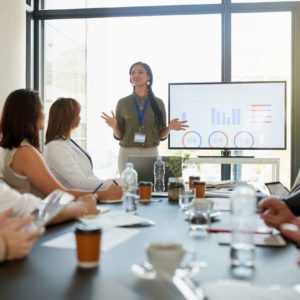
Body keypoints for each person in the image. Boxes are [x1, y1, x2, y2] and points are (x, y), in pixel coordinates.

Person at [0, 89, 108, 221]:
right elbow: (58, 193)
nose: (44, 114)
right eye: (42, 109)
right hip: (35, 220)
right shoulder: (25, 152)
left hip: (30, 218)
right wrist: (103, 194)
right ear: (32, 114)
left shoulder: (9, 149)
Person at [101, 62, 188, 174]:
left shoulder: (158, 103)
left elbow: (161, 136)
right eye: (133, 73)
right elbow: (119, 136)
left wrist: (169, 128)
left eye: (140, 72)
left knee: (150, 187)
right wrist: (114, 127)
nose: (136, 75)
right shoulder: (123, 103)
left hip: (150, 152)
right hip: (127, 152)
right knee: (128, 187)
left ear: (148, 77)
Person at [44, 97, 122, 199]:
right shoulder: (55, 147)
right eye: (78, 114)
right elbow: (80, 182)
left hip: (89, 195)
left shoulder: (67, 142)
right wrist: (116, 183)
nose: (80, 118)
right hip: (75, 200)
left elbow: (89, 176)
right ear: (68, 118)